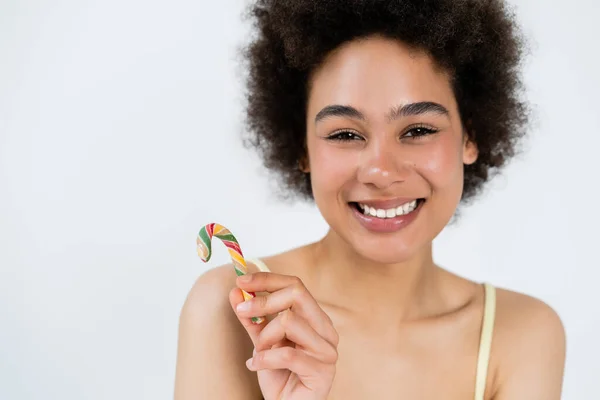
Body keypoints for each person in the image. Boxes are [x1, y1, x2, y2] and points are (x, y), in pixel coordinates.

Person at [174, 0, 566, 399]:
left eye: (417, 130)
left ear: (471, 136)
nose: (381, 171)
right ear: (302, 148)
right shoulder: (235, 309)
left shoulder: (521, 334)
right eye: (345, 134)